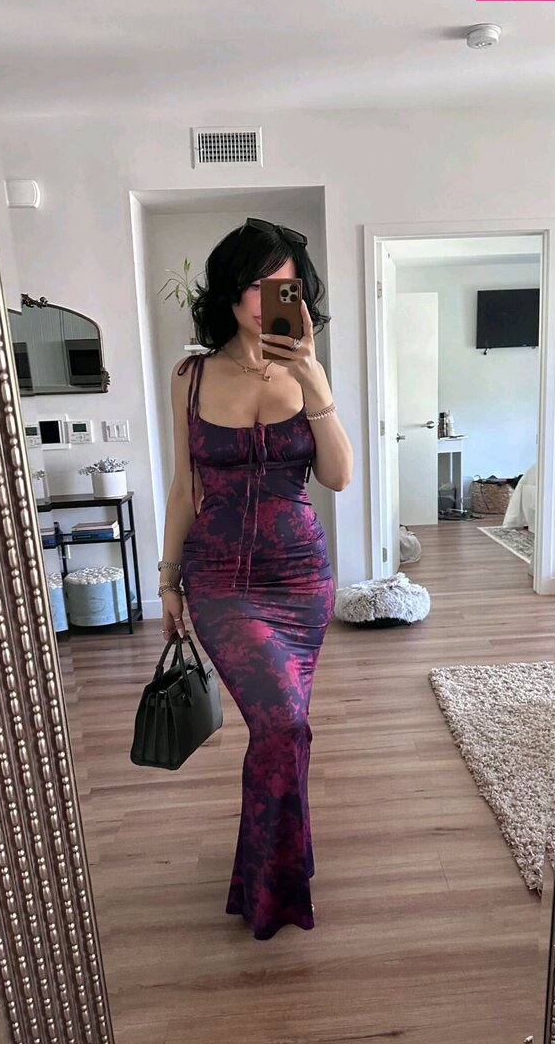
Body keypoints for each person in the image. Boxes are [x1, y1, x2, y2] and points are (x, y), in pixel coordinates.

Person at [157, 217, 353, 940]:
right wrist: (168, 580)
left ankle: (276, 870)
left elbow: (337, 476)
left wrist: (315, 382)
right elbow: (184, 488)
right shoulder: (191, 378)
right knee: (281, 722)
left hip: (301, 579)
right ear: (230, 289)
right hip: (219, 580)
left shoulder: (307, 373)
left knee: (285, 728)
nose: (268, 296)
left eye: (284, 286)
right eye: (256, 282)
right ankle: (276, 885)